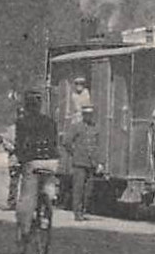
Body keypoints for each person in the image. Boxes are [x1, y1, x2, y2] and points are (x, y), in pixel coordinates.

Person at [13, 91, 60, 243]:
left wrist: (18, 160)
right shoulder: (50, 122)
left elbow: (19, 145)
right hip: (51, 162)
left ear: (27, 106)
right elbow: (54, 143)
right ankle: (47, 210)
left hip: (32, 162)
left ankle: (25, 230)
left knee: (28, 196)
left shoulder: (22, 122)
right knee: (48, 187)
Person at [63, 104, 103, 221]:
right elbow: (66, 142)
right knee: (78, 188)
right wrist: (74, 153)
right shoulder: (76, 127)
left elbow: (97, 146)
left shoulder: (95, 128)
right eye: (87, 114)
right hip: (79, 163)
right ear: (83, 115)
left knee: (88, 189)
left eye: (90, 115)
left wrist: (99, 162)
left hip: (91, 164)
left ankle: (84, 209)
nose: (89, 117)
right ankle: (77, 212)